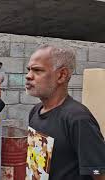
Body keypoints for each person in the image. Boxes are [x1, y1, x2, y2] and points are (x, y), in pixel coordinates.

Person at [25, 44, 105, 180]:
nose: (28, 76)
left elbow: (99, 173)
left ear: (62, 75)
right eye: (29, 70)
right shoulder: (35, 111)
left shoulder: (78, 119)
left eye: (37, 71)